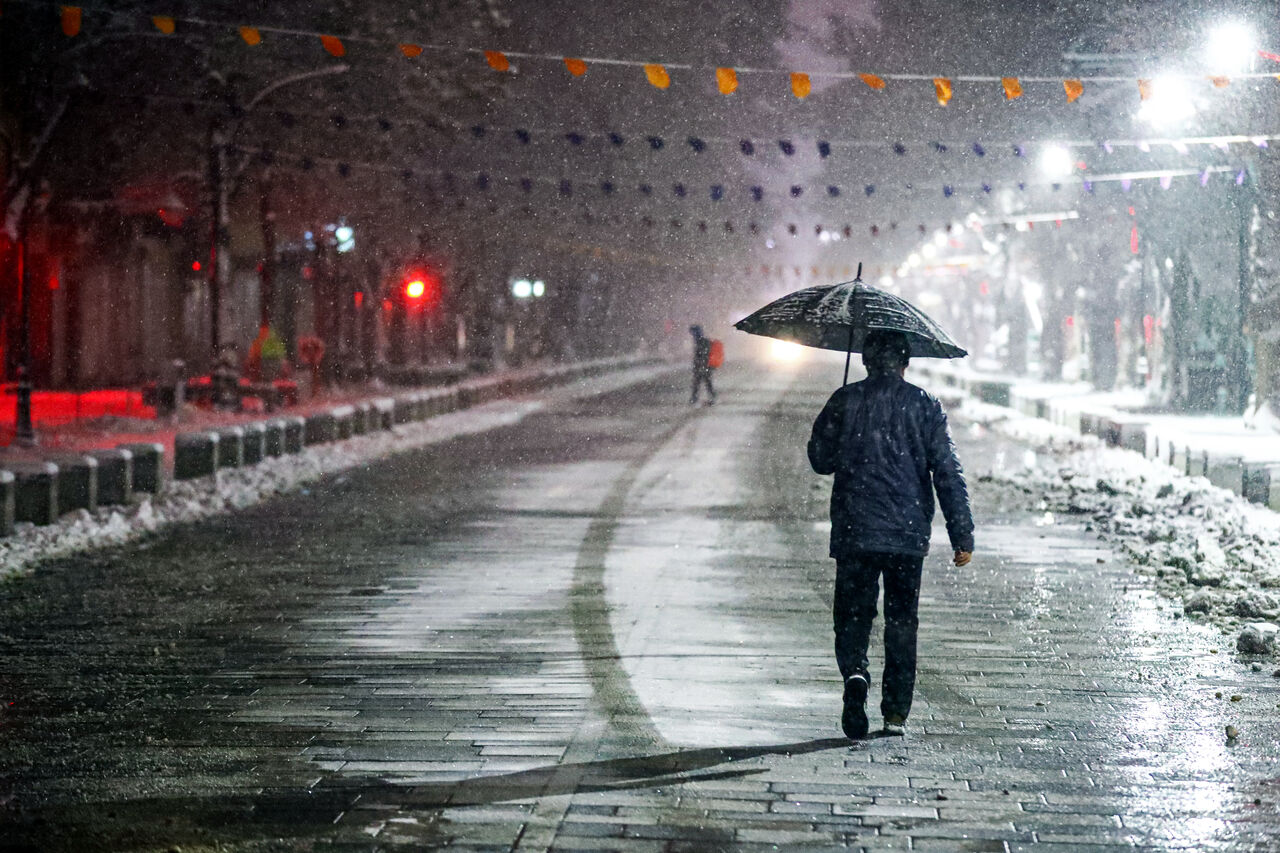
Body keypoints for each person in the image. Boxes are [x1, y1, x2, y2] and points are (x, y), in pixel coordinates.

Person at [807, 329, 974, 738]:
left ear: (865, 361)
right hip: (906, 534)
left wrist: (834, 423)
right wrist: (961, 533)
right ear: (905, 363)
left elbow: (820, 461)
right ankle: (895, 713)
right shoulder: (924, 405)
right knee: (902, 622)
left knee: (852, 616)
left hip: (855, 530)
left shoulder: (845, 399)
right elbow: (946, 470)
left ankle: (855, 674)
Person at [689, 325, 717, 405]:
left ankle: (696, 398)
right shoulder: (701, 341)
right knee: (704, 383)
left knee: (701, 383)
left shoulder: (702, 342)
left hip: (704, 366)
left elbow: (703, 355)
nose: (693, 336)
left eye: (694, 334)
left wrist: (700, 364)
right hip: (703, 366)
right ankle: (697, 398)